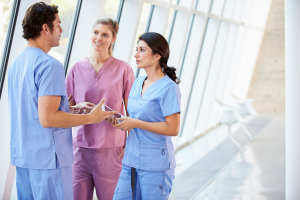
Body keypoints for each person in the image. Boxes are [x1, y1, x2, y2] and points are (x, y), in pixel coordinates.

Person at [8, 3, 116, 199]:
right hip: (49, 161)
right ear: (45, 28)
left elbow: (33, 110)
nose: (61, 29)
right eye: (58, 24)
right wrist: (91, 118)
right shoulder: (49, 65)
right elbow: (48, 118)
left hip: (24, 157)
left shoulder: (17, 63)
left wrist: (71, 108)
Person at [65, 18, 135, 200]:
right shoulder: (76, 69)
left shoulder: (124, 70)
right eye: (96, 32)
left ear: (113, 39)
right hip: (80, 148)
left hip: (111, 149)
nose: (99, 38)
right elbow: (65, 109)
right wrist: (77, 109)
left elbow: (132, 111)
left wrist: (131, 141)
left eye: (105, 35)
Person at [111, 32, 181, 200]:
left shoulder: (169, 88)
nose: (136, 55)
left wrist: (135, 123)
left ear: (157, 55)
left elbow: (173, 128)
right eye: (137, 49)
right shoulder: (137, 83)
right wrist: (119, 121)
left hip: (156, 164)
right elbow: (133, 117)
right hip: (131, 160)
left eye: (142, 50)